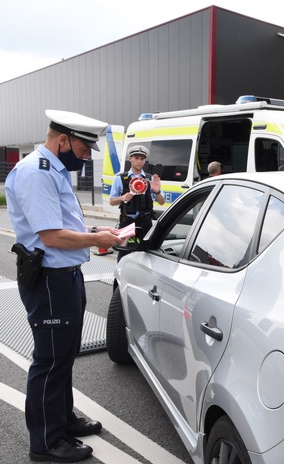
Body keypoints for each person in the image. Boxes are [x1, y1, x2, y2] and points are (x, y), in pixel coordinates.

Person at [5, 109, 124, 462]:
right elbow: (51, 236)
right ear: (63, 141)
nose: (86, 157)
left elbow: (62, 225)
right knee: (51, 360)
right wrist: (96, 239)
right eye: (85, 150)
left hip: (65, 276)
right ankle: (45, 441)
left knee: (65, 356)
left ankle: (63, 419)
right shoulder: (37, 173)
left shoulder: (53, 169)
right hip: (50, 281)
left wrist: (91, 234)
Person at [108, 144, 164, 260]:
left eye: (142, 159)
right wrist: (122, 198)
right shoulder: (120, 178)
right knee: (123, 254)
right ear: (130, 159)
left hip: (145, 222)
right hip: (128, 221)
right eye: (136, 158)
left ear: (144, 161)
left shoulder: (149, 179)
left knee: (147, 255)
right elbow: (112, 202)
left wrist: (157, 192)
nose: (139, 161)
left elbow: (162, 202)